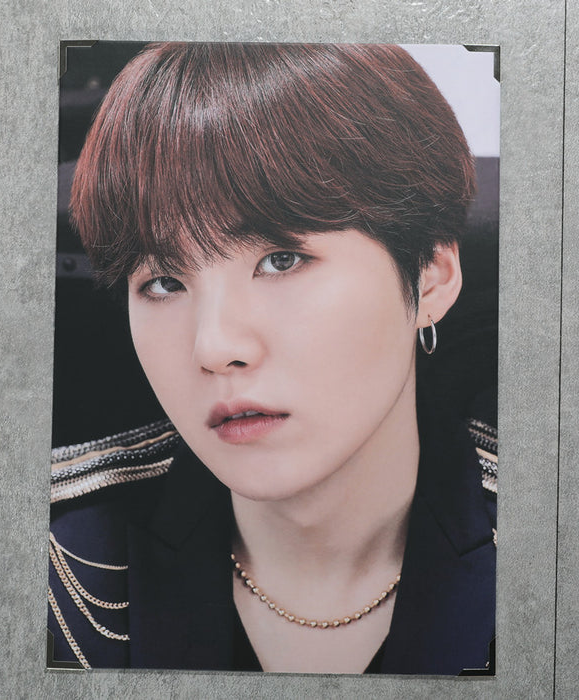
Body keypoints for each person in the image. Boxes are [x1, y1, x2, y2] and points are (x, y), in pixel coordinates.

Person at [47, 42, 497, 675]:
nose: (215, 348)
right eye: (163, 283)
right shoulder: (49, 566)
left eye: (281, 260)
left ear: (430, 276)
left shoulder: (568, 556)